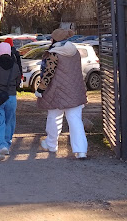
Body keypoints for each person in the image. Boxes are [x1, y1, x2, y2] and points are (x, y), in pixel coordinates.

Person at [35, 28, 88, 159]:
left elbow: (48, 74)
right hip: (75, 91)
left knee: (54, 118)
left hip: (57, 92)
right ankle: (81, 150)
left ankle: (51, 144)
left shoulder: (53, 54)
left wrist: (40, 89)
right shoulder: (75, 52)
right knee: (75, 120)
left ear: (55, 40)